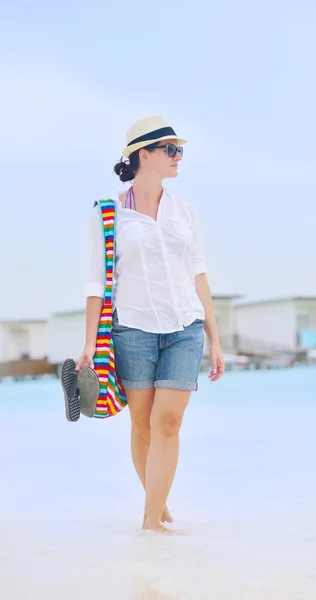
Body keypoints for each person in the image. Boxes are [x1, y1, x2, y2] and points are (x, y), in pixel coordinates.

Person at [76, 116, 225, 533]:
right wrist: (89, 342)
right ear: (144, 154)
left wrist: (215, 339)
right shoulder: (109, 213)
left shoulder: (185, 212)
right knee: (141, 423)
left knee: (169, 422)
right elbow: (95, 281)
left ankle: (149, 521)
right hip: (133, 331)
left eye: (180, 150)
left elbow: (199, 274)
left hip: (184, 329)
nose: (179, 157)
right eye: (170, 149)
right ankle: (157, 509)